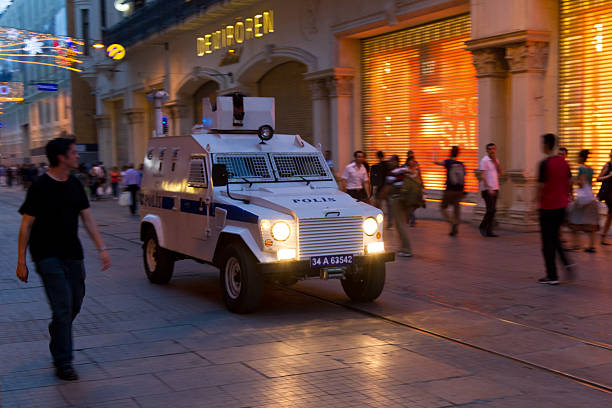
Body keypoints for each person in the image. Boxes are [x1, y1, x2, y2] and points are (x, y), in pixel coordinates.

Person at [16, 137, 111, 380]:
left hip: (73, 254)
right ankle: (63, 362)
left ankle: (58, 327)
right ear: (61, 157)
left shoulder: (76, 184)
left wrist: (101, 248)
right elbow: (26, 225)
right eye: (73, 152)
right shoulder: (39, 186)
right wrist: (21, 261)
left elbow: (87, 218)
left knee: (74, 304)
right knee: (63, 307)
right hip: (46, 256)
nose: (77, 156)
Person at [536, 133, 573, 285]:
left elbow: (540, 187)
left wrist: (536, 205)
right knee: (555, 237)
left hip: (548, 207)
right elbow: (570, 183)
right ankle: (566, 263)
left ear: (545, 145)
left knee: (547, 242)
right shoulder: (565, 163)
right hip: (562, 206)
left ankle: (552, 275)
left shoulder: (544, 163)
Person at [568, 149, 599, 252]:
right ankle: (591, 246)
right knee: (591, 223)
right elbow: (590, 183)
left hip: (582, 200)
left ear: (581, 158)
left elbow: (581, 183)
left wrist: (573, 180)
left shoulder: (581, 168)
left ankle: (575, 245)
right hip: (591, 197)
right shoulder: (591, 169)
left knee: (573, 220)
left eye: (577, 156)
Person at [434, 146, 466, 236]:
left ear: (450, 152)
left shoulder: (448, 162)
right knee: (456, 209)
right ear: (458, 153)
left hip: (449, 190)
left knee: (443, 207)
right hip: (459, 191)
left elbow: (435, 161)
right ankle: (454, 230)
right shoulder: (461, 164)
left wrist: (435, 151)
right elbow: (463, 178)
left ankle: (452, 221)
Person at [386, 156, 412, 257]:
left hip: (397, 200)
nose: (389, 162)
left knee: (400, 225)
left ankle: (407, 249)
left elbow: (387, 188)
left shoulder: (393, 173)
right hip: (406, 200)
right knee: (402, 224)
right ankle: (402, 247)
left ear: (396, 162)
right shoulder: (405, 170)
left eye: (391, 160)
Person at [479, 143, 503, 237]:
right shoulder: (484, 161)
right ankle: (482, 226)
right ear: (487, 151)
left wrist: (495, 162)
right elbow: (483, 176)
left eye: (493, 149)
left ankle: (489, 231)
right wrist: (488, 188)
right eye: (489, 149)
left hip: (495, 188)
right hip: (487, 190)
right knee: (491, 209)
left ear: (495, 150)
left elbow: (501, 172)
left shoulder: (496, 160)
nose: (492, 151)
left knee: (493, 210)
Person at [596, 149, 612, 245]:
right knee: (610, 214)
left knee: (610, 215)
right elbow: (598, 179)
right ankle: (602, 236)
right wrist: (609, 176)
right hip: (608, 194)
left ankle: (603, 236)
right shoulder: (607, 166)